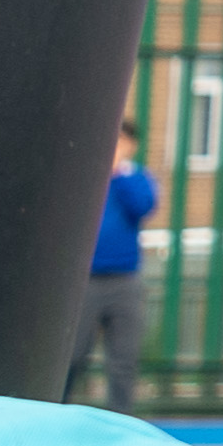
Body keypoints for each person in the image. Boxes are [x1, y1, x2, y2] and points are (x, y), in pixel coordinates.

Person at [69, 124, 156, 412]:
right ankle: (56, 409)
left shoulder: (135, 178)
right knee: (71, 355)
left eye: (122, 141)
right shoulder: (84, 175)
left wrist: (119, 172)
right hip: (85, 279)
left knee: (123, 360)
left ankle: (121, 418)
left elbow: (143, 206)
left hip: (124, 279)